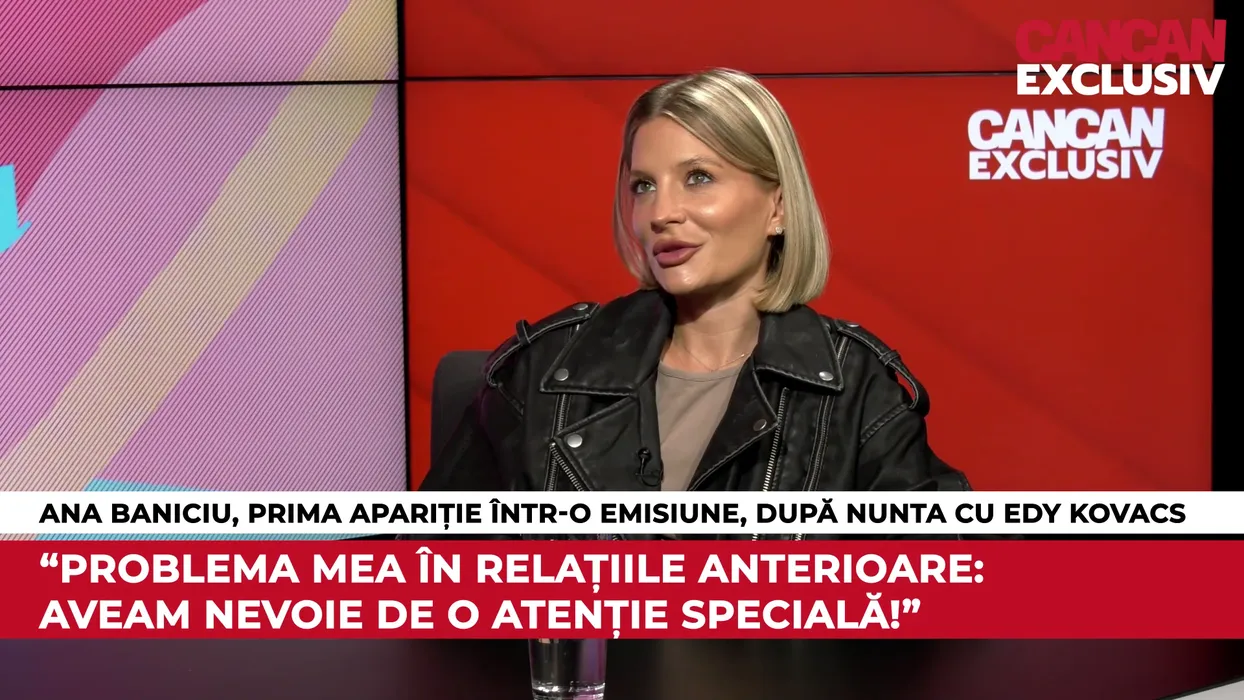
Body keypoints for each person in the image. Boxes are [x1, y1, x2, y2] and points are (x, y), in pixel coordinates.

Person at [422, 68, 971, 517]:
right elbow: (421, 570)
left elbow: (956, 574)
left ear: (778, 207)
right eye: (643, 186)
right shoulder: (542, 371)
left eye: (698, 177)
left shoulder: (853, 388)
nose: (661, 213)